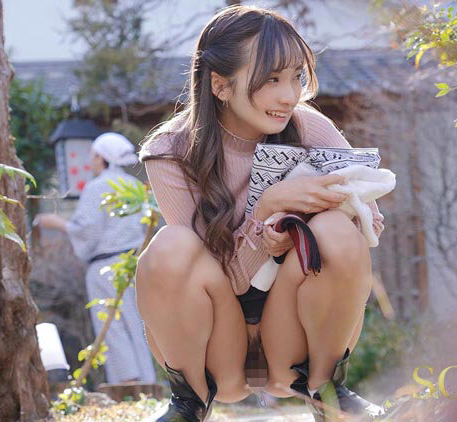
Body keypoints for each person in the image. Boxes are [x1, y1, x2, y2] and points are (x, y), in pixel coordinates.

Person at [136, 5, 386, 421]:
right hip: (219, 348)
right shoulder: (171, 152)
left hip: (294, 337)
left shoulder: (310, 128)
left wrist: (325, 216)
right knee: (170, 246)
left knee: (339, 230)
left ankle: (328, 392)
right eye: (272, 79)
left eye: (295, 77)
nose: (289, 95)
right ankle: (189, 404)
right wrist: (269, 205)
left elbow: (369, 226)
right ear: (220, 85)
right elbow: (219, 276)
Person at [35, 132, 157, 385]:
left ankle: (127, 381)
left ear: (102, 158)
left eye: (93, 157)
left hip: (105, 266)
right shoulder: (134, 186)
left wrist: (56, 222)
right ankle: (147, 380)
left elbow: (86, 231)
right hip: (134, 264)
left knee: (111, 324)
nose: (90, 162)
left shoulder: (97, 187)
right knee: (137, 324)